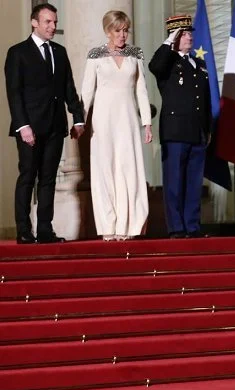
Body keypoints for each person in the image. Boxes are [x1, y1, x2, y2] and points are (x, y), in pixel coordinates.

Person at [4, 3, 85, 244]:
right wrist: (22, 126)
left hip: (55, 126)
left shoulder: (59, 52)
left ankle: (45, 230)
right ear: (34, 22)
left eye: (55, 22)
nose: (53, 26)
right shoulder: (18, 52)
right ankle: (23, 230)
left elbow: (69, 88)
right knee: (28, 176)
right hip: (29, 128)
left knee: (49, 178)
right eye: (48, 22)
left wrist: (77, 118)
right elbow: (14, 92)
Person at [80, 10, 152, 241]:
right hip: (102, 120)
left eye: (125, 30)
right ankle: (108, 226)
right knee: (105, 170)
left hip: (128, 119)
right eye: (118, 30)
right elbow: (87, 91)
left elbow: (142, 90)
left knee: (129, 169)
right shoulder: (96, 54)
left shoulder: (135, 53)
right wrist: (79, 121)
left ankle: (128, 225)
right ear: (108, 31)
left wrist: (147, 123)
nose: (123, 35)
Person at [149, 15, 211, 239]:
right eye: (183, 34)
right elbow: (154, 66)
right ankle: (176, 227)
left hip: (196, 131)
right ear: (173, 37)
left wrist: (207, 129)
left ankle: (192, 226)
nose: (189, 37)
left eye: (189, 33)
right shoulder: (168, 62)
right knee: (174, 181)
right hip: (175, 132)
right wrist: (169, 41)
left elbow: (205, 100)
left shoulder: (199, 63)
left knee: (194, 183)